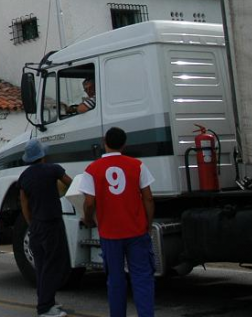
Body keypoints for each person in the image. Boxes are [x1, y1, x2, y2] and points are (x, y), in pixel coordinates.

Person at [78, 127, 156, 317]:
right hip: (136, 231)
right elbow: (148, 198)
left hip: (110, 233)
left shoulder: (92, 169)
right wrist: (148, 223)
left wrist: (88, 219)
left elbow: (89, 203)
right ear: (124, 144)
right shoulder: (137, 165)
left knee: (115, 279)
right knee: (142, 277)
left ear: (105, 142)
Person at [18, 139, 73, 317]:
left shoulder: (24, 177)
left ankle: (47, 301)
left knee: (42, 267)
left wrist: (31, 223)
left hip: (36, 226)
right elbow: (71, 183)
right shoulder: (53, 169)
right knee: (54, 265)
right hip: (52, 223)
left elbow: (24, 203)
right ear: (42, 156)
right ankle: (45, 308)